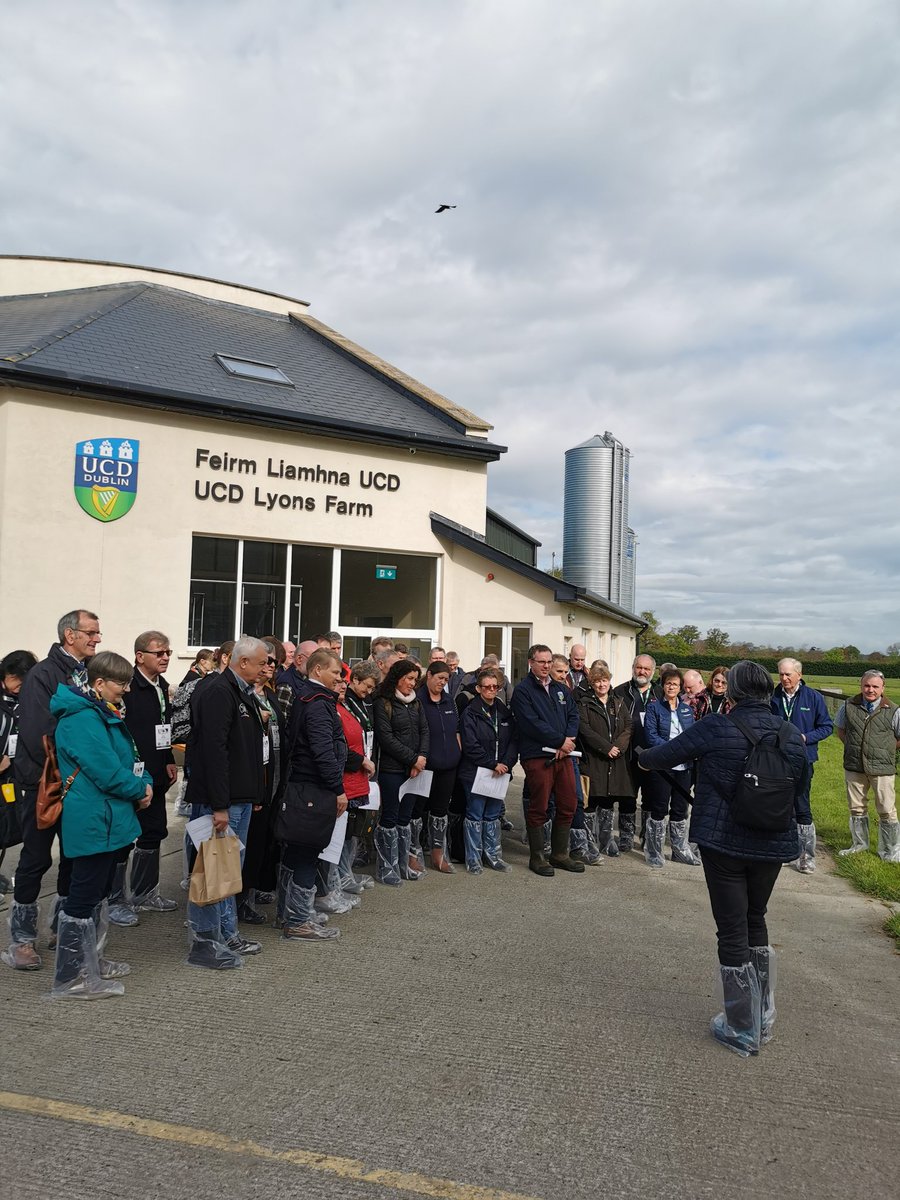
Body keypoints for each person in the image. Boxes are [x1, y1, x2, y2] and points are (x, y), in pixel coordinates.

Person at [638, 660, 808, 1057]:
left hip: (724, 842)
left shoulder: (717, 726)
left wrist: (644, 756)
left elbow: (667, 755)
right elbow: (801, 788)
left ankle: (740, 1027)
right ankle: (762, 1016)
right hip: (771, 843)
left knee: (731, 930)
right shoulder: (790, 735)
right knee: (755, 919)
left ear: (731, 692)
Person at [46, 651, 153, 998]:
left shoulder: (102, 712)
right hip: (95, 818)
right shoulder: (81, 719)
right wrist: (140, 789)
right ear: (99, 683)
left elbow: (131, 759)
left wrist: (145, 782)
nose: (126, 690)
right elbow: (106, 772)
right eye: (122, 684)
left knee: (98, 895)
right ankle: (72, 976)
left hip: (110, 816)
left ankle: (91, 962)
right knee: (83, 897)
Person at [2, 610, 101, 972]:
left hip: (77, 783)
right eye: (91, 632)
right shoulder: (43, 675)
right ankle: (22, 940)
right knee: (35, 859)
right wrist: (78, 759)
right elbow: (38, 733)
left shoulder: (86, 673)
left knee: (73, 856)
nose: (97, 638)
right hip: (44, 783)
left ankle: (64, 928)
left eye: (98, 633)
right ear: (69, 635)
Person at [184, 636, 270, 969]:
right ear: (242, 662)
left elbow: (246, 750)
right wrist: (219, 805)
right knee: (212, 871)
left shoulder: (242, 692)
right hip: (222, 802)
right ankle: (205, 943)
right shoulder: (219, 692)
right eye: (261, 663)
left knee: (228, 871)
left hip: (239, 798)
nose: (266, 669)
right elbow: (214, 752)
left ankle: (228, 934)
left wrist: (255, 794)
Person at [278, 649, 348, 942]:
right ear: (318, 670)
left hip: (306, 786)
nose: (339, 678)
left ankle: (291, 914)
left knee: (297, 853)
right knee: (306, 854)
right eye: (335, 672)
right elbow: (323, 752)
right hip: (313, 789)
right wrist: (338, 789)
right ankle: (297, 921)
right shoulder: (317, 703)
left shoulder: (312, 698)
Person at [117, 631, 179, 920]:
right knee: (124, 837)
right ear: (140, 656)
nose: (165, 657)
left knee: (153, 831)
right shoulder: (128, 687)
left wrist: (169, 759)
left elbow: (163, 727)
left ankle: (145, 893)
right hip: (132, 776)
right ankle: (116, 900)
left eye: (168, 652)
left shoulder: (161, 685)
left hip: (156, 773)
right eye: (159, 653)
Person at [511, 644, 583, 877]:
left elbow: (573, 715)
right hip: (538, 756)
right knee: (540, 806)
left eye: (549, 661)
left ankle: (559, 854)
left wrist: (568, 740)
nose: (546, 666)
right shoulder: (523, 691)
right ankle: (538, 856)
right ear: (530, 663)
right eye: (541, 662)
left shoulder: (560, 689)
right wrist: (560, 741)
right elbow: (531, 723)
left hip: (564, 755)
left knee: (569, 802)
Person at [770, 658, 833, 872]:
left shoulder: (813, 697)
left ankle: (806, 857)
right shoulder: (772, 697)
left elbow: (827, 726)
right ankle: (784, 850)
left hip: (803, 759)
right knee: (778, 804)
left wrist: (806, 738)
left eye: (788, 674)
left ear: (799, 675)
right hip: (777, 759)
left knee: (801, 804)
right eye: (781, 674)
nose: (784, 678)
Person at [372, 658, 429, 886]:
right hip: (392, 770)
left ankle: (403, 864)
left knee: (405, 818)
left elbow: (425, 731)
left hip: (415, 770)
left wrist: (421, 758)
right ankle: (387, 868)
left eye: (415, 680)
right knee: (390, 817)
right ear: (397, 678)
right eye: (409, 679)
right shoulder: (383, 702)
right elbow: (386, 738)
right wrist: (413, 759)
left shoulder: (416, 703)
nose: (413, 684)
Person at [834, 670, 900, 863]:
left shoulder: (894, 710)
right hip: (854, 765)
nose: (870, 690)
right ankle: (859, 845)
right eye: (867, 685)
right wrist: (855, 748)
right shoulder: (848, 706)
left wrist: (884, 750)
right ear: (861, 686)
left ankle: (890, 851)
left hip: (882, 767)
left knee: (886, 809)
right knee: (856, 807)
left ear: (883, 688)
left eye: (875, 686)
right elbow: (841, 730)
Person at [459, 668, 517, 872]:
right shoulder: (470, 713)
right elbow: (470, 745)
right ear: (478, 688)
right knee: (475, 814)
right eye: (487, 687)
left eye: (495, 686)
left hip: (500, 772)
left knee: (493, 815)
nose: (492, 690)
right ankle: (473, 858)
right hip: (477, 773)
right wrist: (492, 764)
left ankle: (493, 856)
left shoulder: (504, 712)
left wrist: (506, 764)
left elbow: (513, 741)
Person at [642, 669, 701, 868]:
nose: (671, 687)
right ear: (663, 685)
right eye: (668, 683)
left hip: (684, 766)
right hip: (663, 765)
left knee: (680, 809)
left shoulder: (686, 710)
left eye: (675, 684)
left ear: (680, 687)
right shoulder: (654, 708)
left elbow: (691, 736)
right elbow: (651, 736)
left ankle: (679, 851)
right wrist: (673, 750)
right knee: (659, 808)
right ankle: (654, 851)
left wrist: (686, 751)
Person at [576, 666, 635, 855]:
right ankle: (588, 842)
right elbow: (584, 730)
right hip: (594, 759)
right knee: (592, 800)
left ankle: (607, 841)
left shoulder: (618, 702)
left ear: (609, 681)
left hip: (615, 760)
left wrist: (618, 747)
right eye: (597, 681)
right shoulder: (585, 703)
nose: (602, 685)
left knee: (608, 801)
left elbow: (628, 726)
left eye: (604, 680)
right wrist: (606, 747)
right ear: (592, 684)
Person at [0, 651, 38, 898]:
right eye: (18, 681)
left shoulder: (20, 701)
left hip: (10, 776)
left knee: (6, 825)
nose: (21, 687)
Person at [418, 661, 462, 874]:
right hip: (425, 766)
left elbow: (456, 730)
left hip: (449, 765)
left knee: (440, 810)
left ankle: (438, 854)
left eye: (446, 679)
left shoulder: (448, 700)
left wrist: (457, 753)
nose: (443, 683)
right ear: (429, 675)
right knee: (418, 810)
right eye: (440, 678)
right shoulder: (418, 699)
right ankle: (413, 854)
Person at [613, 653, 662, 841]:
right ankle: (626, 838)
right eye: (639, 667)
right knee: (627, 797)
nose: (642, 671)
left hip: (653, 755)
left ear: (653, 671)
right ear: (633, 668)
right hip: (628, 755)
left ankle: (647, 838)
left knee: (651, 798)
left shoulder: (660, 693)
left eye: (646, 668)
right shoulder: (620, 691)